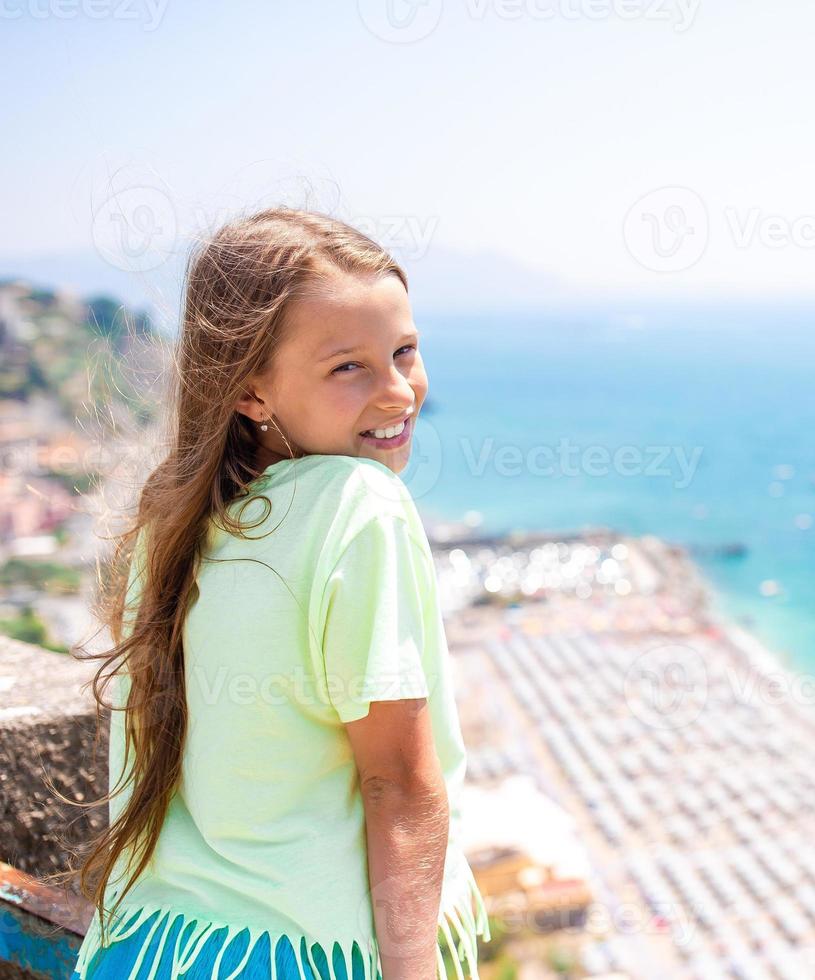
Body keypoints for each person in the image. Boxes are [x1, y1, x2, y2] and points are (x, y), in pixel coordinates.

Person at [64, 208, 491, 980]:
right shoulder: (359, 507)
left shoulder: (174, 519)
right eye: (347, 368)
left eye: (404, 351)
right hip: (304, 956)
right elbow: (397, 780)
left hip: (150, 949)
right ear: (251, 391)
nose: (398, 391)